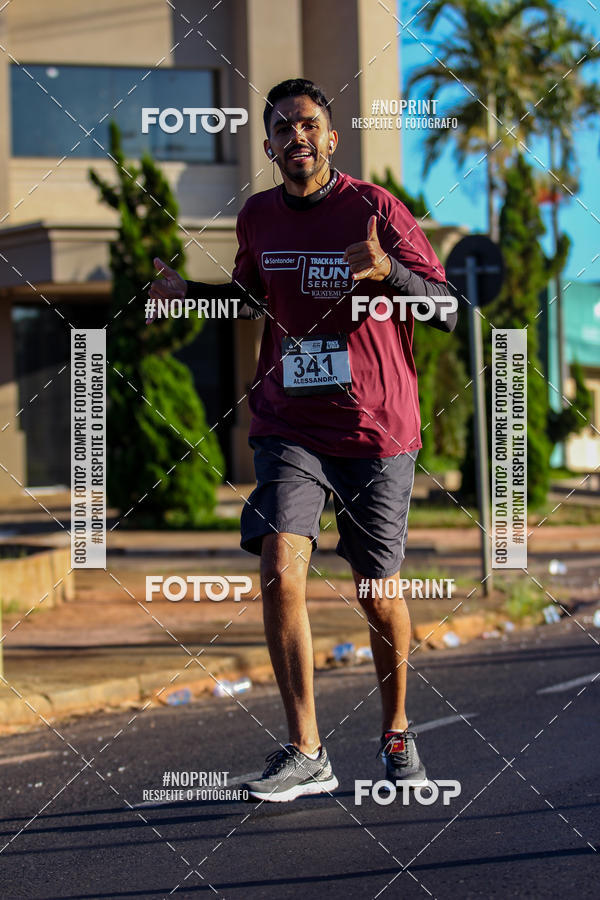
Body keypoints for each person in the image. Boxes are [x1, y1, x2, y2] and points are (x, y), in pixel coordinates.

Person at [148, 78, 457, 803]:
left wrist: (388, 271)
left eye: (309, 124)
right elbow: (251, 299)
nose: (298, 137)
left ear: (331, 137)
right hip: (289, 421)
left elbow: (446, 307)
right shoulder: (257, 217)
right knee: (280, 569)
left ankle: (397, 728)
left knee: (376, 592)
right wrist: (191, 299)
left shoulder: (375, 208)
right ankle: (307, 750)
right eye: (284, 127)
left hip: (376, 428)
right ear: (268, 145)